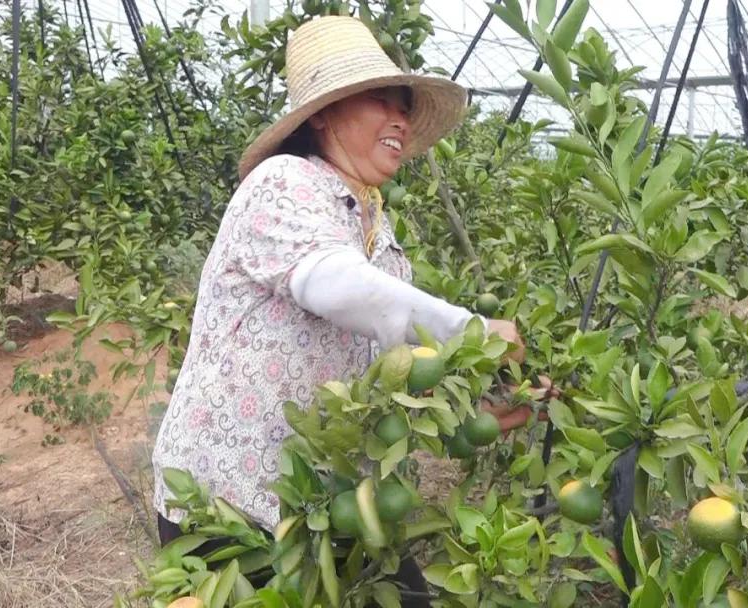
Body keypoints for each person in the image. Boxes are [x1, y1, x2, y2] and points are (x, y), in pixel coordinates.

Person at [150, 15, 534, 604]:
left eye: (404, 106)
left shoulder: (378, 230)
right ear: (323, 114)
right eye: (380, 99)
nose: (399, 118)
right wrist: (472, 332)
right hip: (230, 508)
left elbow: (392, 371)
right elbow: (335, 285)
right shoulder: (282, 182)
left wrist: (471, 412)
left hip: (332, 505)